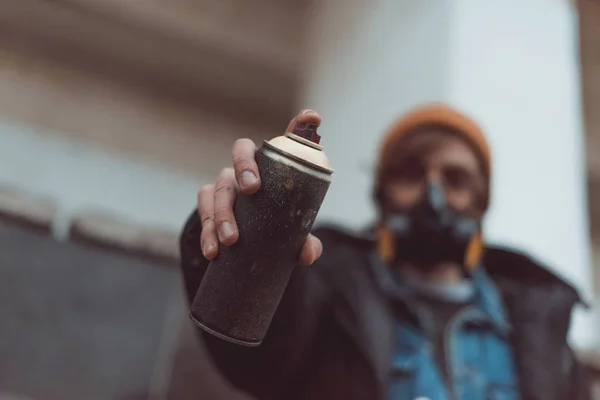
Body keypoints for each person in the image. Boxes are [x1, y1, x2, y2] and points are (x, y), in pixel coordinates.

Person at [179, 104, 591, 400]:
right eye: (411, 173)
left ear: (482, 200)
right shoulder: (321, 286)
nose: (433, 195)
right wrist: (246, 232)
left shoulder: (543, 332)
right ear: (381, 192)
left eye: (456, 178)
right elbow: (252, 357)